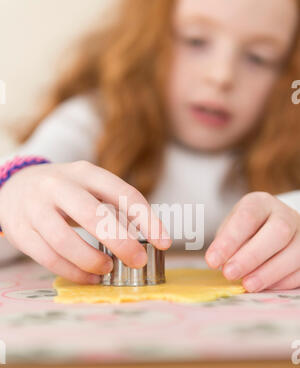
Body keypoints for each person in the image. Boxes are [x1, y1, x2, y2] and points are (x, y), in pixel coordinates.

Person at [0, 0, 299, 293]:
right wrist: (15, 190)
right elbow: (29, 178)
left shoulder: (290, 147)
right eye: (195, 41)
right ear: (147, 43)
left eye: (259, 58)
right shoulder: (92, 121)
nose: (221, 76)